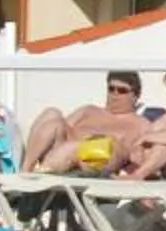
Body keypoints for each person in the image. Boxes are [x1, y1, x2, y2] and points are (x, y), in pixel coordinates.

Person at [19, 70, 151, 171]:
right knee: (52, 113)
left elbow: (143, 156)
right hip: (63, 153)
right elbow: (58, 129)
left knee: (74, 147)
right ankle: (25, 169)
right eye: (111, 89)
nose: (114, 95)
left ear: (136, 95)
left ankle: (37, 179)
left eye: (122, 91)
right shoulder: (88, 110)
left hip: (98, 159)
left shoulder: (141, 124)